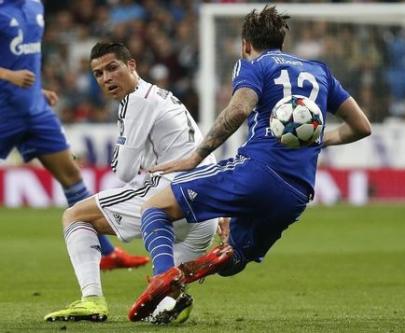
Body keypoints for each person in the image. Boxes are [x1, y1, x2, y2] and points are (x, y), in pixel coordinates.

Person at [127, 5, 372, 321]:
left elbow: (240, 109)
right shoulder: (320, 71)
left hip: (259, 170)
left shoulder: (254, 64)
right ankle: (216, 258)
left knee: (155, 208)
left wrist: (196, 155)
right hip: (298, 192)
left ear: (246, 44)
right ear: (282, 40)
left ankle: (165, 277)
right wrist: (318, 137)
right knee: (235, 258)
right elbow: (362, 126)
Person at [44, 42, 218, 323]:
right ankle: (172, 302)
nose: (106, 78)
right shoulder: (162, 95)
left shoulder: (137, 99)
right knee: (162, 296)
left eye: (113, 68)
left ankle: (91, 301)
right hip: (205, 212)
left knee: (75, 216)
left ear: (132, 65)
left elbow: (123, 171)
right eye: (98, 74)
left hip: (172, 193)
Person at [0, 0, 149, 271]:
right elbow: (13, 67)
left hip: (35, 110)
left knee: (71, 176)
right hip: (3, 111)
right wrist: (9, 76)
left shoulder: (35, 6)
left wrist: (36, 90)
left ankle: (106, 253)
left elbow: (24, 56)